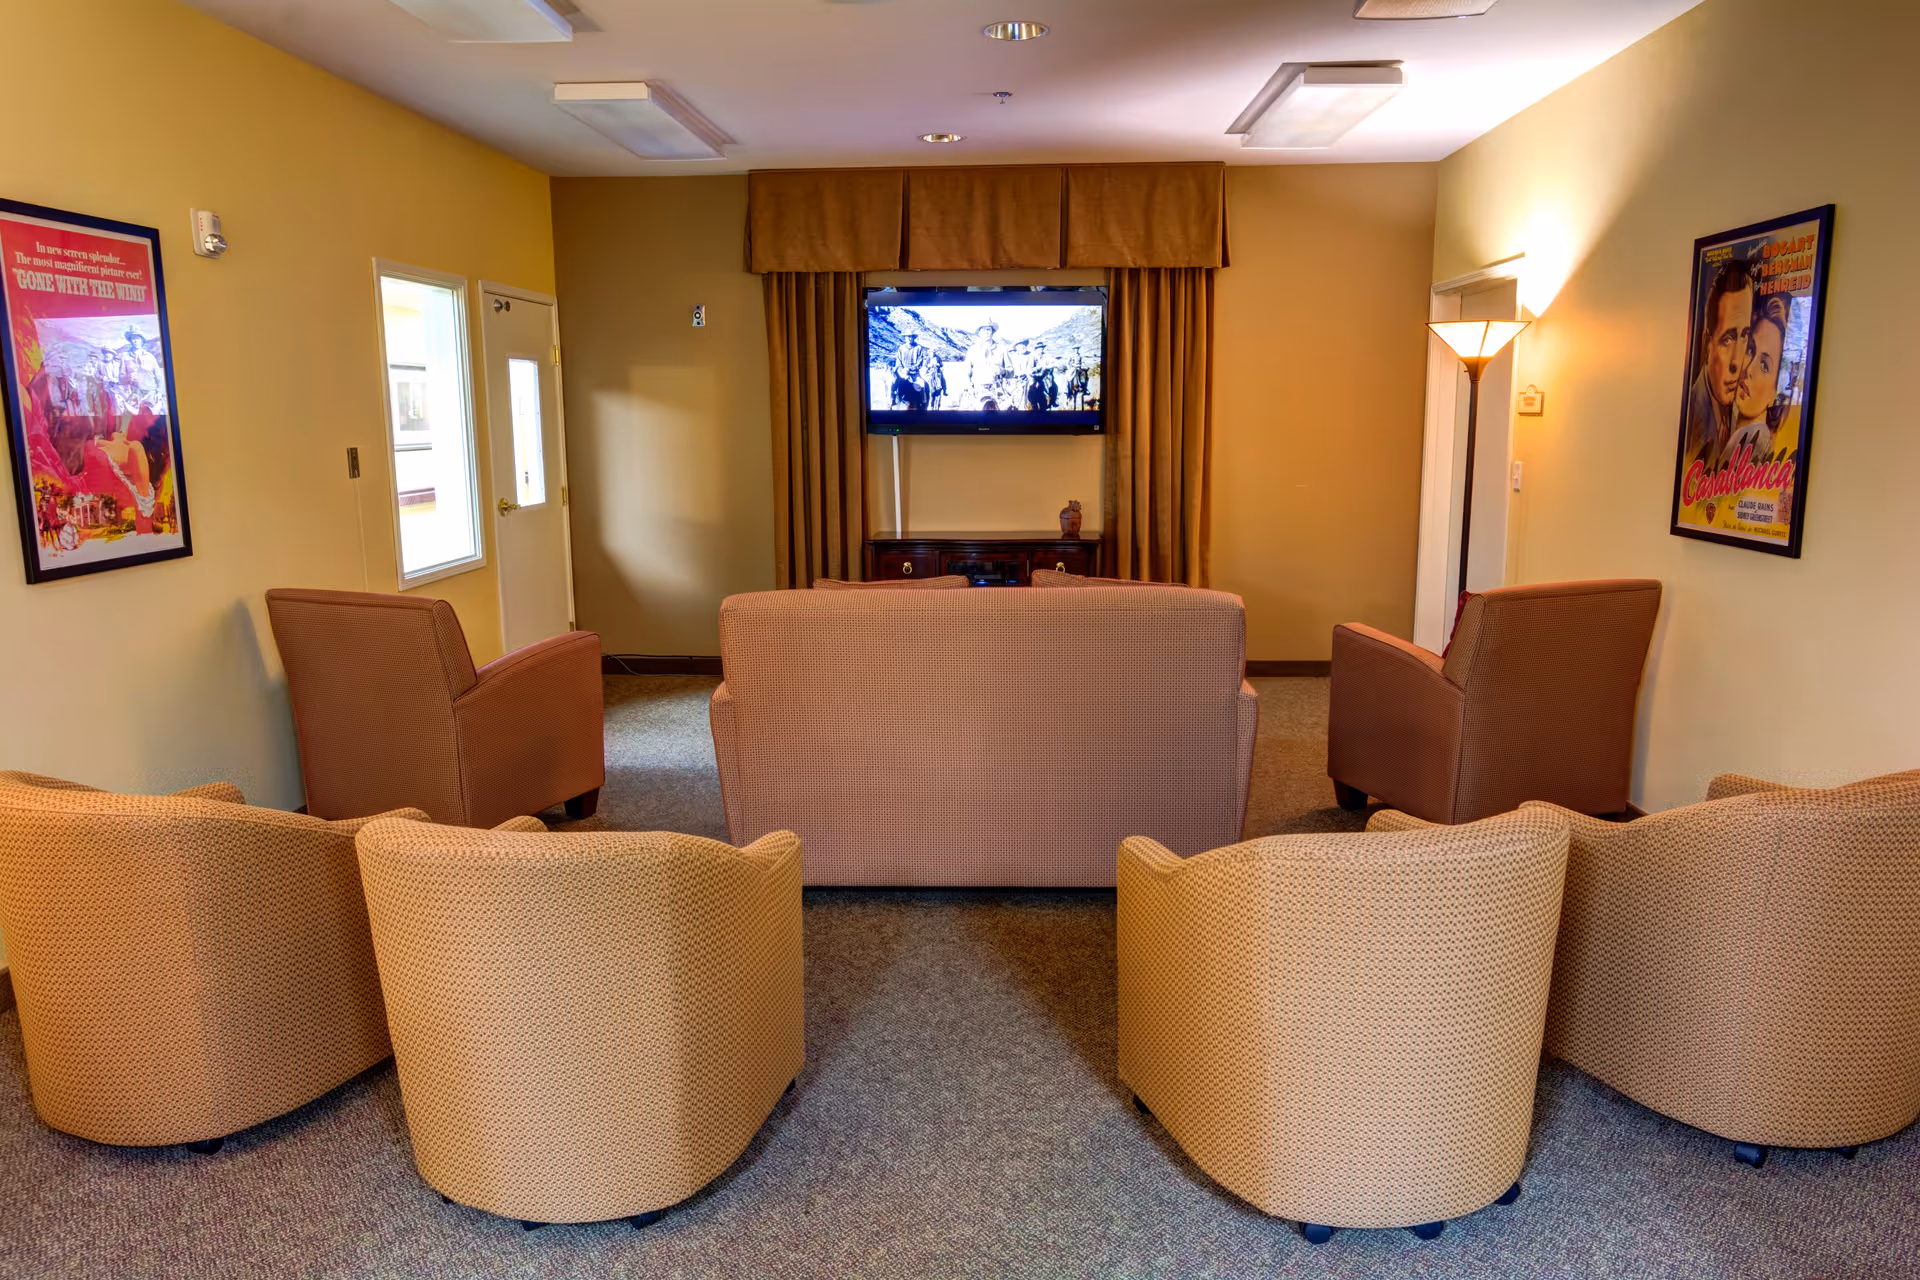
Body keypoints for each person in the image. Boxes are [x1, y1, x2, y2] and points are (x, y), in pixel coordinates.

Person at [1683, 257, 1754, 473]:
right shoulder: (1693, 419)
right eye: (1728, 339)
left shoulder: (1738, 411)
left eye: (1744, 336)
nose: (1736, 362)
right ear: (1707, 344)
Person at [1725, 294, 1789, 466]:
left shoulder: (1753, 439)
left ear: (1774, 392)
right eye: (1750, 350)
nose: (1749, 369)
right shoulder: (1738, 435)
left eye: (1764, 366)